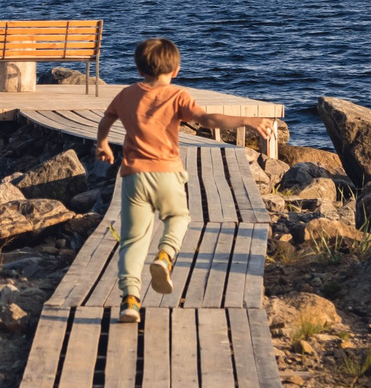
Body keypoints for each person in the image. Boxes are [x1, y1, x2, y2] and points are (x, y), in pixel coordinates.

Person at [91, 37, 251, 324]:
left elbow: (106, 121)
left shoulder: (125, 94)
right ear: (175, 70)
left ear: (139, 70)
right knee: (178, 217)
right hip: (167, 174)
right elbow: (206, 119)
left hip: (133, 177)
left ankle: (130, 300)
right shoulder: (177, 95)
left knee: (132, 240)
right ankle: (165, 256)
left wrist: (103, 144)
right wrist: (244, 121)